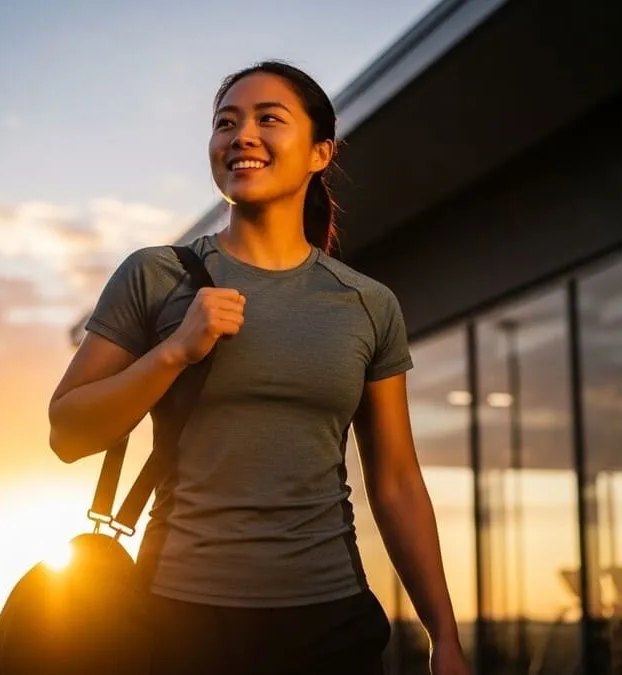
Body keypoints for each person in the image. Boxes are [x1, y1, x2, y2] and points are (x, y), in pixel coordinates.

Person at [47, 60, 470, 675]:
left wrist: (446, 636)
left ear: (320, 153)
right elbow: (68, 432)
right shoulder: (156, 275)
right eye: (226, 122)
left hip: (331, 622)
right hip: (178, 617)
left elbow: (398, 481)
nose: (240, 135)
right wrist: (174, 352)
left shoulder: (368, 305)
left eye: (268, 119)